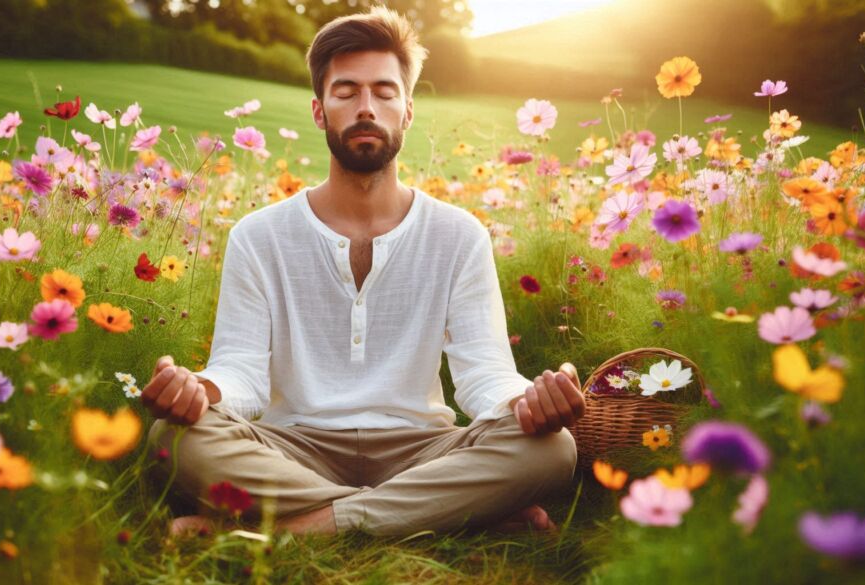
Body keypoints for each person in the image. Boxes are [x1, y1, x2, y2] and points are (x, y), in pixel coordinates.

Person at [144, 5, 584, 537]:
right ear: (319, 110)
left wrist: (527, 401)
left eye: (384, 91)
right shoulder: (257, 236)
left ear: (408, 111)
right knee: (175, 436)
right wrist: (203, 389)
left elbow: (482, 374)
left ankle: (291, 534)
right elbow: (241, 371)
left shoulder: (459, 234)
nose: (366, 107)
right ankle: (447, 516)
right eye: (346, 91)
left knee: (552, 447)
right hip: (294, 447)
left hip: (421, 449)